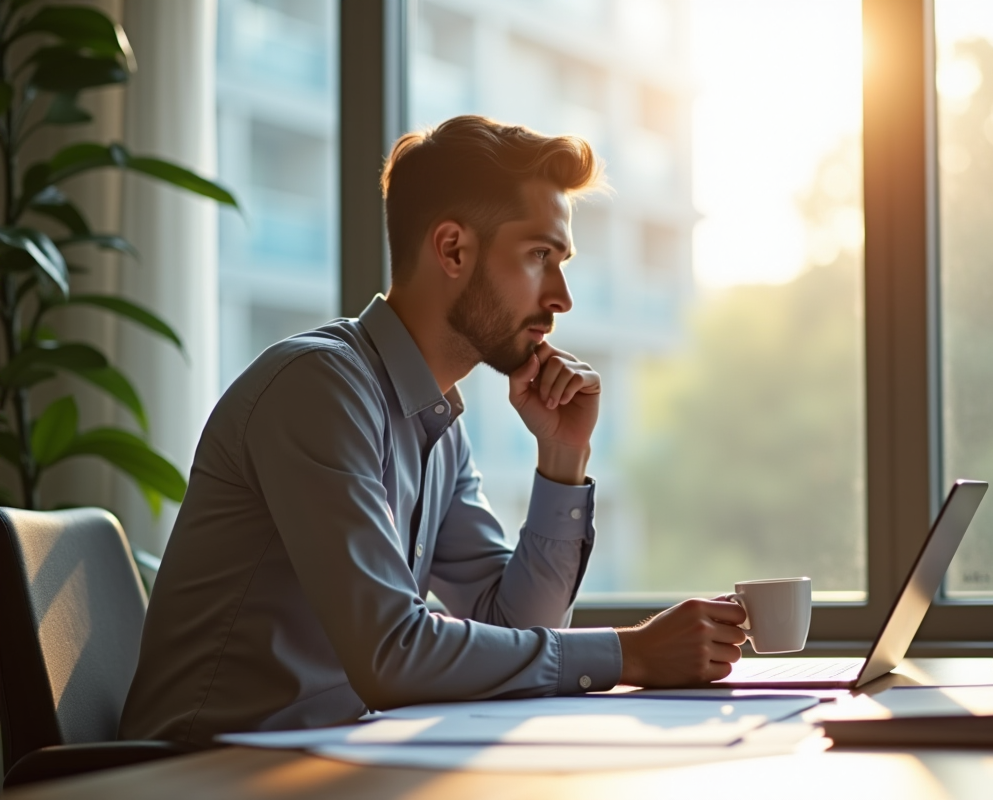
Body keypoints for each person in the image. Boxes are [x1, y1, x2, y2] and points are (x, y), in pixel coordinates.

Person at [120, 115, 748, 744]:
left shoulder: (438, 426)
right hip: (202, 773)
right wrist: (629, 655)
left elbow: (514, 621)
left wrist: (562, 454)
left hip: (326, 764)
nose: (562, 297)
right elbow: (393, 653)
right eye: (539, 256)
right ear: (452, 249)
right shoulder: (319, 387)